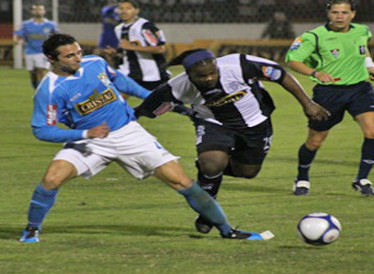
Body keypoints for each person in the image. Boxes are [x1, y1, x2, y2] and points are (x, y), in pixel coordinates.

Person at [18, 33, 273, 243]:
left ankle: (228, 230)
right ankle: (31, 228)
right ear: (51, 59)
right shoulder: (49, 90)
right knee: (51, 179)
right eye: (70, 55)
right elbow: (42, 130)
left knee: (182, 182)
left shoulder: (94, 63)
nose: (78, 58)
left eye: (78, 52)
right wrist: (85, 133)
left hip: (129, 133)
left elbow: (123, 83)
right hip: (89, 141)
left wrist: (154, 100)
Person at [134, 49, 330, 234]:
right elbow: (149, 108)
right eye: (201, 76)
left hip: (256, 122)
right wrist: (133, 117)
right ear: (189, 75)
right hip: (214, 123)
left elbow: (281, 75)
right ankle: (207, 209)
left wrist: (308, 104)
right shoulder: (177, 87)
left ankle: (210, 170)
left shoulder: (239, 65)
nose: (209, 78)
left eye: (212, 72)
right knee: (212, 164)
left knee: (248, 172)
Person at [285, 0, 374, 196]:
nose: (339, 16)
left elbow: (364, 49)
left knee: (373, 131)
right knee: (314, 141)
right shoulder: (313, 37)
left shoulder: (362, 31)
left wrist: (369, 66)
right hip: (329, 93)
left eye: (344, 12)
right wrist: (315, 73)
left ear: (352, 14)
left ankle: (362, 178)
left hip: (360, 88)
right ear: (328, 14)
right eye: (335, 12)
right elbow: (292, 60)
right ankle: (302, 178)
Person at [105, 0, 193, 117]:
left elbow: (160, 48)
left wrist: (130, 47)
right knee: (114, 98)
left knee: (164, 103)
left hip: (151, 73)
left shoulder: (145, 27)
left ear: (136, 10)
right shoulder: (118, 29)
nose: (124, 11)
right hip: (129, 72)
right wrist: (115, 53)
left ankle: (189, 112)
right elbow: (128, 52)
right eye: (121, 8)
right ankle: (115, 124)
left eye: (128, 8)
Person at [14, 3, 58, 89]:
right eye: (36, 9)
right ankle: (36, 87)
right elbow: (19, 35)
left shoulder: (50, 24)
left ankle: (42, 90)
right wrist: (17, 41)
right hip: (30, 51)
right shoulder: (26, 24)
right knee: (32, 73)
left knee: (40, 70)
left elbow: (56, 36)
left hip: (44, 51)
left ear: (44, 11)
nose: (38, 11)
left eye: (40, 9)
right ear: (32, 11)